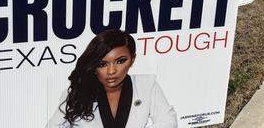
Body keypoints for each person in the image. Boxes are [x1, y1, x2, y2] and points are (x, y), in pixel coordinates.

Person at [47, 29, 177, 128]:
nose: (112, 71)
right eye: (102, 64)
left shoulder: (147, 85)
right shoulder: (78, 92)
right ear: (93, 65)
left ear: (132, 59)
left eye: (120, 61)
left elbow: (168, 121)